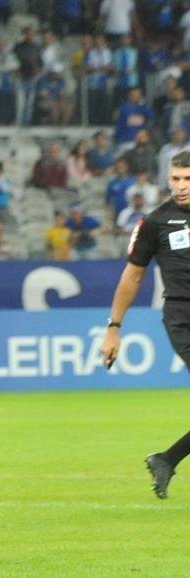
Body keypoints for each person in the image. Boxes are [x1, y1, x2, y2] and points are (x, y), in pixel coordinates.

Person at [102, 150, 190, 499]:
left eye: (188, 179)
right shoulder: (155, 223)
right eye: (176, 179)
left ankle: (166, 459)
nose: (181, 186)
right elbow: (133, 276)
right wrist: (114, 328)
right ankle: (167, 459)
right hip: (183, 316)